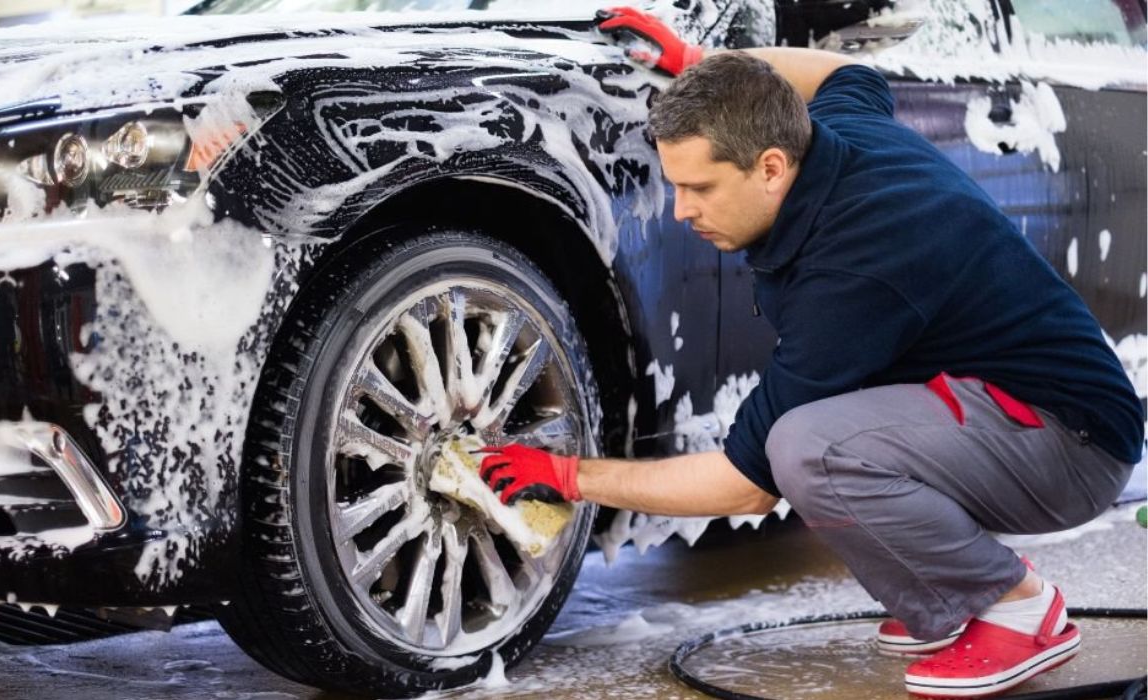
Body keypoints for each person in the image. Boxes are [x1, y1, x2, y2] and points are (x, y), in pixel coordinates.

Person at [477, 7, 1144, 698]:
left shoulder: (855, 272)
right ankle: (945, 606)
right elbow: (849, 71)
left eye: (699, 187)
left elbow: (746, 482)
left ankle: (1019, 608)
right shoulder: (832, 134)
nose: (680, 210)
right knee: (815, 437)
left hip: (1072, 448)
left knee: (805, 448)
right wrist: (701, 62)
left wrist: (567, 475)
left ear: (770, 167)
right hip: (1008, 409)